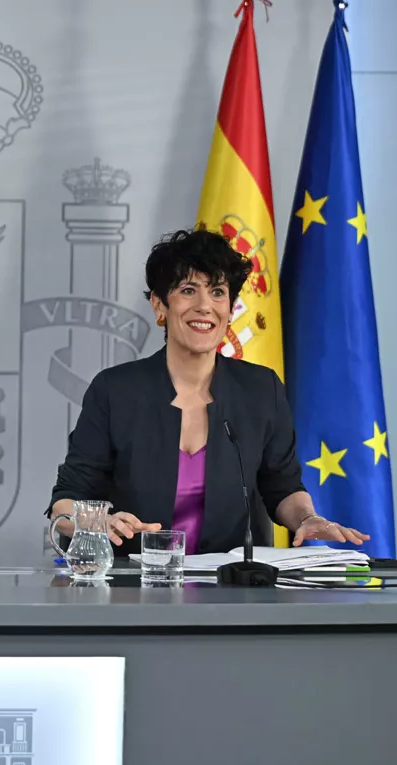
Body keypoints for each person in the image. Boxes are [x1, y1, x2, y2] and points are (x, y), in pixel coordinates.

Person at [47, 229, 369, 556]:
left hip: (233, 592)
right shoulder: (114, 391)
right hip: (133, 589)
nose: (204, 306)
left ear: (230, 310)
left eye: (217, 292)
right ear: (160, 305)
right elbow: (66, 501)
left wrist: (307, 518)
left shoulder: (261, 390)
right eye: (188, 290)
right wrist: (94, 522)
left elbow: (283, 488)